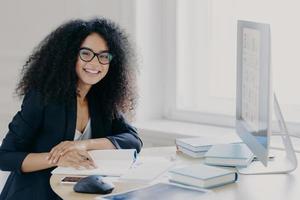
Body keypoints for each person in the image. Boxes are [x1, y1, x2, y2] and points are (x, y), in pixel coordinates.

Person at [0, 18, 143, 200]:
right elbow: (5, 157)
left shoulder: (102, 99)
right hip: (35, 193)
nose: (95, 63)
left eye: (103, 56)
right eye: (86, 53)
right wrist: (57, 158)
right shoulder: (42, 97)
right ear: (69, 56)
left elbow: (133, 140)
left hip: (77, 193)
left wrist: (83, 144)